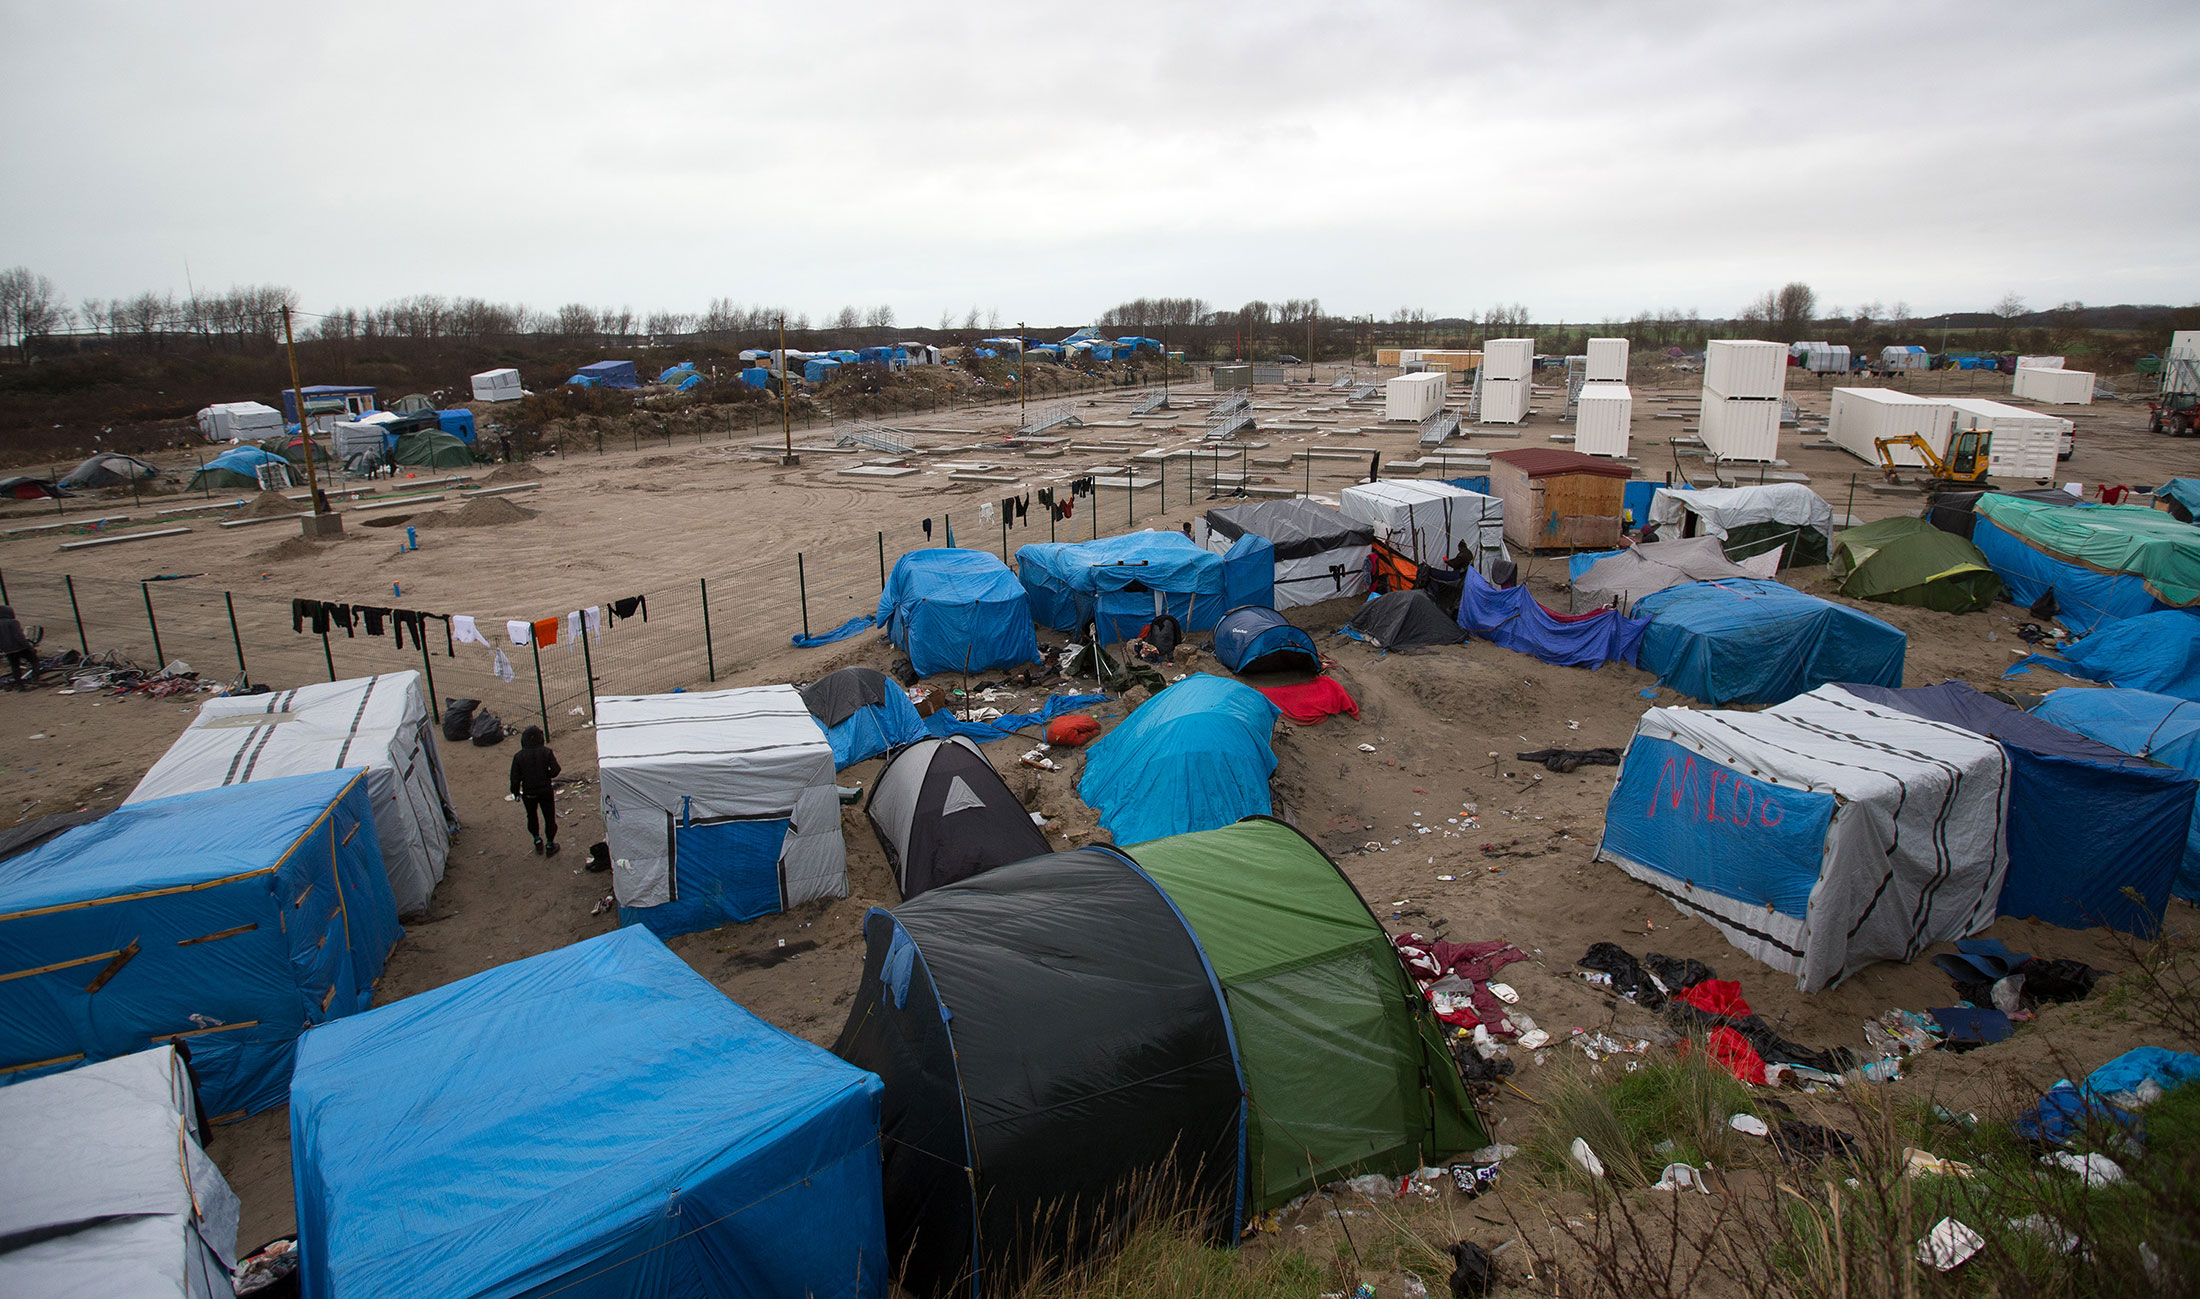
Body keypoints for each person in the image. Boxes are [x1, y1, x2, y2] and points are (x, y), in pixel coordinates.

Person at [509, 725, 562, 856]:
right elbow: (556, 770)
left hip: (529, 793)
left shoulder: (519, 757)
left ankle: (537, 839)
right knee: (549, 817)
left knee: (531, 816)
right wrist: (546, 775)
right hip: (545, 791)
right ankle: (550, 844)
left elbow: (514, 779)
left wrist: (516, 793)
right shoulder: (546, 752)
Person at [0, 606, 34, 688]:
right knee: (34, 661)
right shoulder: (12, 622)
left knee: (15, 667)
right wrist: (29, 647)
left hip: (8, 650)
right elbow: (19, 636)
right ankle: (35, 678)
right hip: (19, 648)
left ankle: (20, 685)